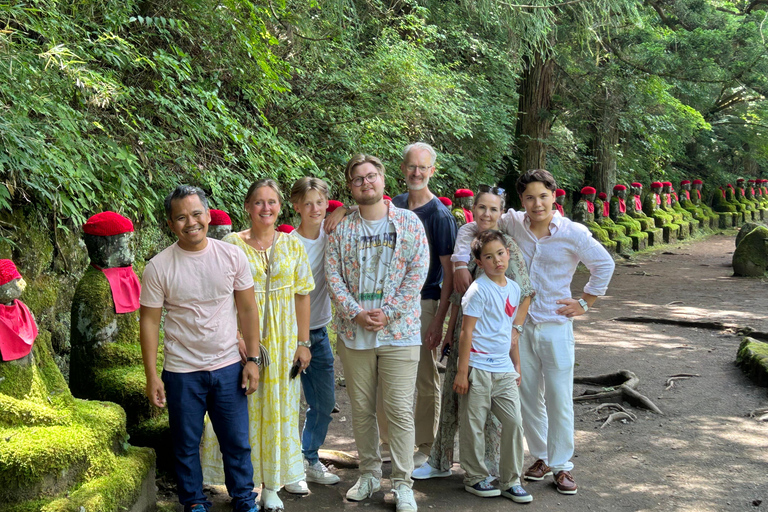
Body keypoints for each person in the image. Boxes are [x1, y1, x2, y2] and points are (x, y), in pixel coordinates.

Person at [452, 169, 615, 495]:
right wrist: (458, 261)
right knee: (527, 397)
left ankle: (562, 466)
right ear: (521, 201)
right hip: (519, 328)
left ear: (555, 196)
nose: (537, 203)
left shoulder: (573, 232)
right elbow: (477, 224)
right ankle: (540, 457)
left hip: (556, 325)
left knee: (558, 397)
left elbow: (604, 264)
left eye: (543, 196)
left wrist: (585, 303)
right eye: (529, 197)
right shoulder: (513, 223)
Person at [139, 185, 260, 512]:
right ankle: (193, 502)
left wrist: (253, 360)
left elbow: (248, 309)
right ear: (170, 223)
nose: (190, 222)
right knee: (186, 445)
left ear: (208, 215)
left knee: (236, 442)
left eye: (196, 214)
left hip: (227, 366)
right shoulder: (159, 267)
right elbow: (149, 323)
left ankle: (244, 499)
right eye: (181, 217)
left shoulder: (232, 255)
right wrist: (153, 376)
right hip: (181, 372)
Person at [199, 179, 314, 512]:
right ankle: (244, 481)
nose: (266, 208)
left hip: (283, 343)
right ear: (247, 207)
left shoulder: (292, 245)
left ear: (281, 207)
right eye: (259, 202)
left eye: (272, 202)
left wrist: (303, 343)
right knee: (243, 413)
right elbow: (218, 296)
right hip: (242, 340)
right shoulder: (231, 244)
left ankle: (273, 484)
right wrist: (235, 337)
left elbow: (302, 294)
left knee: (280, 412)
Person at [326, 154, 429, 512]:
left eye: (372, 176)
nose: (366, 183)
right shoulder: (341, 228)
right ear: (351, 186)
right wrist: (355, 312)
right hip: (355, 335)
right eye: (358, 179)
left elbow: (418, 270)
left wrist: (389, 312)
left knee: (400, 409)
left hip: (399, 332)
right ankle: (369, 474)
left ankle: (402, 483)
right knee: (362, 409)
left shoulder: (409, 222)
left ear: (383, 180)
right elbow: (333, 274)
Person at [413, 185, 534, 481]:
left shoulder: (505, 246)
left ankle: (489, 468)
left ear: (501, 213)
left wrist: (515, 330)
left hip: (492, 343)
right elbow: (458, 294)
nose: (487, 214)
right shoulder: (467, 242)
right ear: (473, 209)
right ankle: (440, 460)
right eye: (482, 208)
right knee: (453, 394)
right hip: (464, 334)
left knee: (489, 409)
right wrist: (449, 331)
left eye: (494, 209)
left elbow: (526, 293)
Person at [390, 142, 457, 465]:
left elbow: (448, 273)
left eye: (423, 167)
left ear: (432, 171)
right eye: (411, 166)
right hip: (392, 303)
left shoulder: (441, 216)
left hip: (425, 301)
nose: (417, 172)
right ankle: (394, 442)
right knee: (390, 372)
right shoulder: (396, 205)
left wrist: (438, 320)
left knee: (425, 374)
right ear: (403, 169)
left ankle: (426, 445)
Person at [454, 230, 532, 503]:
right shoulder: (478, 290)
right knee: (473, 424)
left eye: (500, 253)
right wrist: (463, 372)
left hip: (504, 370)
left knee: (513, 423)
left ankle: (511, 479)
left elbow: (511, 332)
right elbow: (466, 333)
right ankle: (475, 477)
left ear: (508, 254)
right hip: (477, 368)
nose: (497, 260)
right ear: (479, 262)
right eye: (489, 256)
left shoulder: (513, 288)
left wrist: (517, 365)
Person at [288, 177, 340, 485]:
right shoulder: (290, 244)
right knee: (288, 401)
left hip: (320, 330)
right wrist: (299, 339)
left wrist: (343, 209)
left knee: (323, 402)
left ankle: (309, 457)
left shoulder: (333, 234)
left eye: (320, 202)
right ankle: (289, 464)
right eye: (307, 203)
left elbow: (370, 206)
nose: (315, 209)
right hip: (291, 335)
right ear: (296, 207)